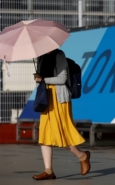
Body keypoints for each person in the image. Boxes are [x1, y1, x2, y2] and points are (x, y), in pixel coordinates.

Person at [32, 49, 91, 180]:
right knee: (45, 135)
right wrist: (39, 77)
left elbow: (62, 78)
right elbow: (42, 80)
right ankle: (48, 171)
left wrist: (43, 79)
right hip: (46, 98)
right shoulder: (41, 57)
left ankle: (82, 156)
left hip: (59, 99)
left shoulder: (59, 55)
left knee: (62, 134)